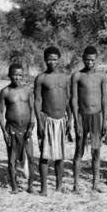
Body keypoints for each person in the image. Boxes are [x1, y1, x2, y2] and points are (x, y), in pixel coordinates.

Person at [34, 46, 72, 196]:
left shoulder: (64, 77)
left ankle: (59, 186)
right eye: (49, 59)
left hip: (61, 120)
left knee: (60, 155)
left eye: (55, 59)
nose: (52, 62)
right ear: (45, 60)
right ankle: (44, 188)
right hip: (47, 120)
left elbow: (68, 99)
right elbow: (37, 101)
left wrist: (70, 118)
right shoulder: (41, 78)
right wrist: (39, 121)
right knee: (45, 155)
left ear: (59, 60)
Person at [71, 46, 107, 193]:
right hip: (82, 116)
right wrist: (76, 121)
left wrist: (104, 121)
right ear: (83, 59)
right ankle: (75, 184)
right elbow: (73, 100)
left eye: (92, 60)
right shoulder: (77, 76)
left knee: (96, 151)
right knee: (79, 150)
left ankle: (95, 183)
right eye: (87, 59)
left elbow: (104, 99)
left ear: (96, 60)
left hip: (96, 116)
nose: (89, 62)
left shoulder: (101, 76)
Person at [0, 63, 36, 194]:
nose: (17, 78)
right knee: (11, 160)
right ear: (9, 76)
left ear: (23, 76)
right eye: (14, 75)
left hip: (26, 129)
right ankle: (14, 187)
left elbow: (32, 109)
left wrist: (31, 125)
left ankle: (30, 186)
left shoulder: (27, 90)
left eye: (19, 75)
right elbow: (0, 112)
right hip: (12, 129)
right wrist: (4, 132)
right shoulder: (5, 92)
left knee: (30, 157)